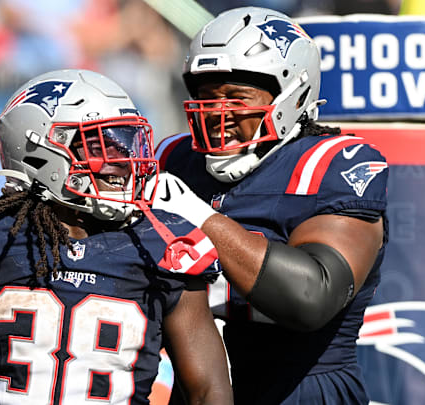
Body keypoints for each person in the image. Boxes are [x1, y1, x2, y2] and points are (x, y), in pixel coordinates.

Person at [0, 69, 233, 405]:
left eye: (125, 143)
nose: (122, 161)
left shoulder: (163, 245)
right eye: (99, 145)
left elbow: (208, 393)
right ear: (38, 152)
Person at [150, 7, 388, 404]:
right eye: (206, 97)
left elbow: (311, 297)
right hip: (194, 388)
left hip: (301, 389)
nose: (217, 113)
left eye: (235, 97)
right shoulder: (176, 158)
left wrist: (199, 217)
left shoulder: (331, 164)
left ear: (290, 95)